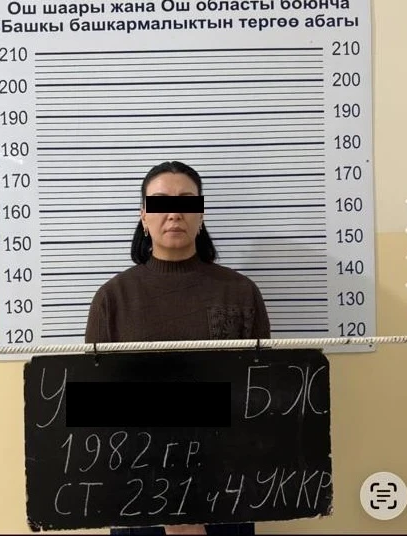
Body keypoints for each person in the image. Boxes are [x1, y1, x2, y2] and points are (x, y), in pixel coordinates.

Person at [85, 161, 271, 536]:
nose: (173, 213)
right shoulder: (113, 298)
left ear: (201, 214)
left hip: (226, 489)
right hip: (137, 492)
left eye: (186, 201)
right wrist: (169, 502)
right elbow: (98, 408)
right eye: (160, 203)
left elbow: (264, 395)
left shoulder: (240, 293)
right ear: (143, 216)